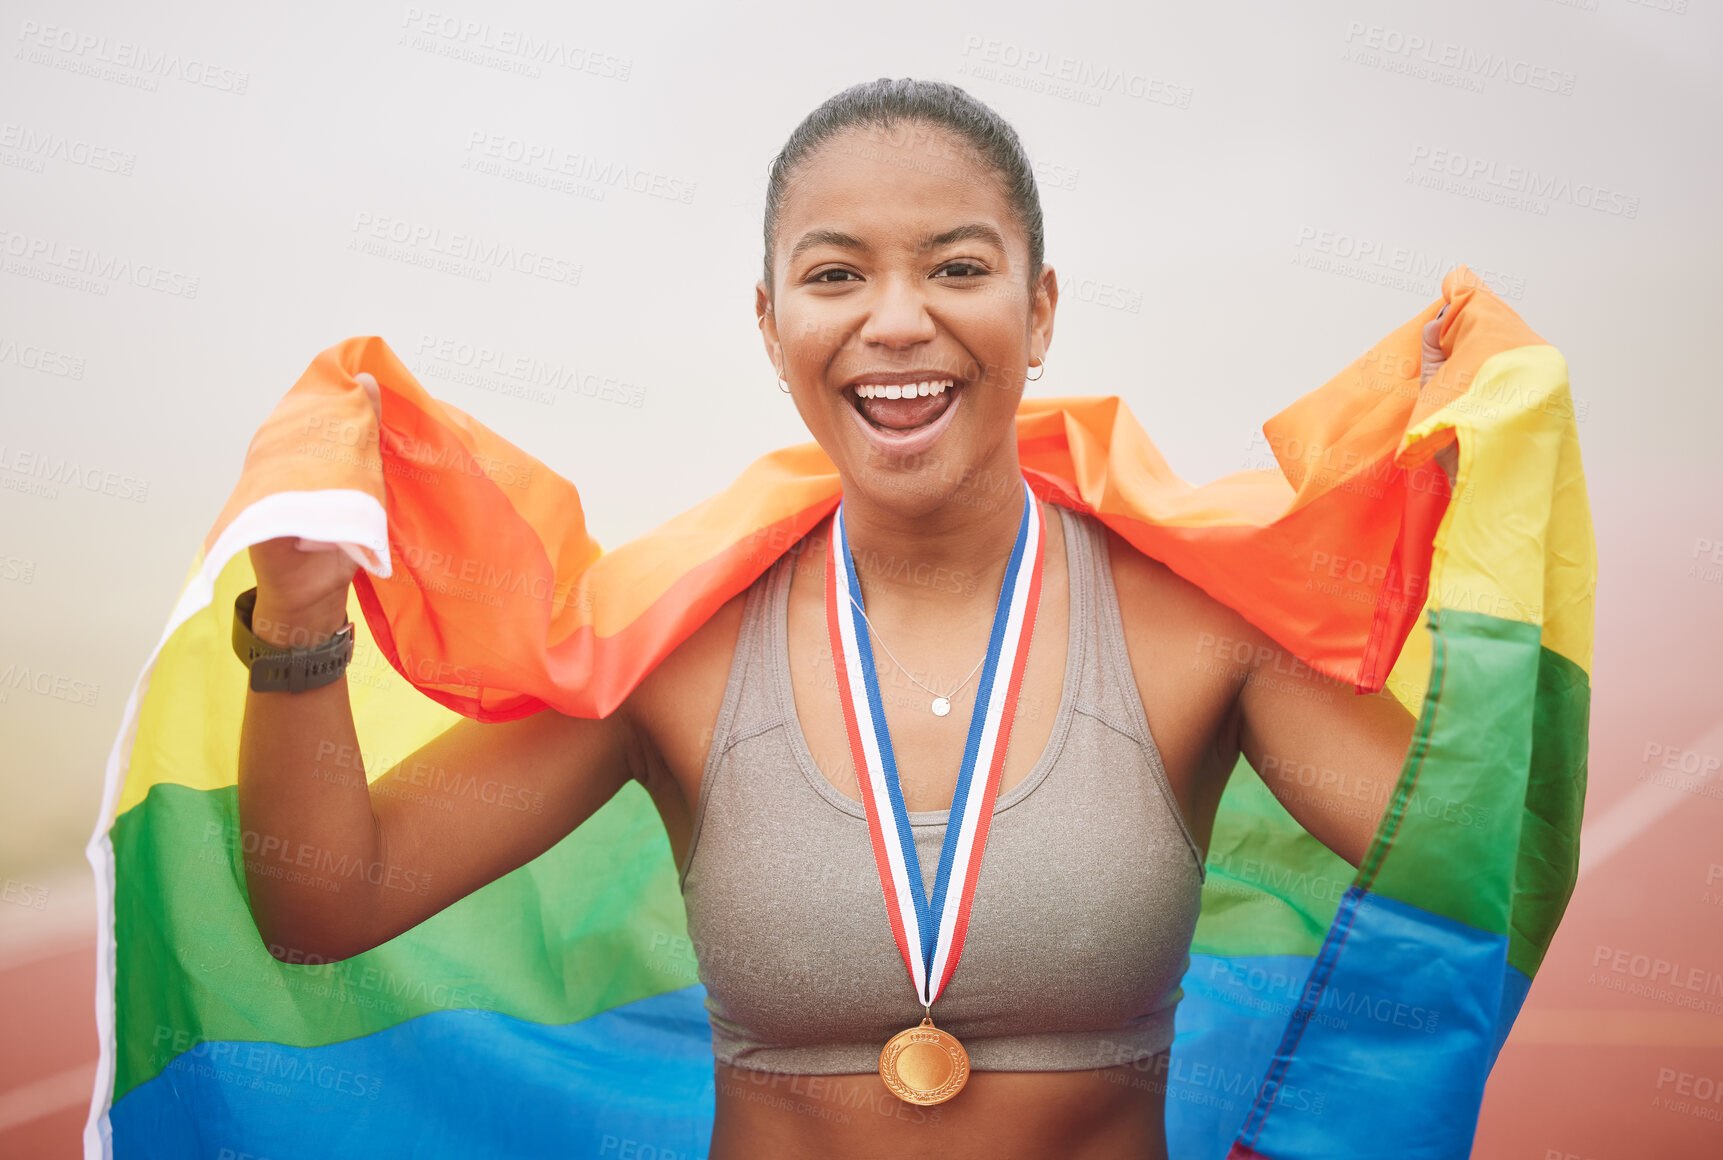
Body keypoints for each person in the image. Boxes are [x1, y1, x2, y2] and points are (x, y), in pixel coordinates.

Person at [237, 78, 1450, 1160]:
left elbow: (1481, 872)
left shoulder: (1194, 629)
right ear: (772, 326)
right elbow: (328, 901)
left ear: (1040, 310)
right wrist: (296, 616)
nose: (897, 319)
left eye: (958, 268)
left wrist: (1475, 461)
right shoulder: (675, 647)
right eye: (835, 275)